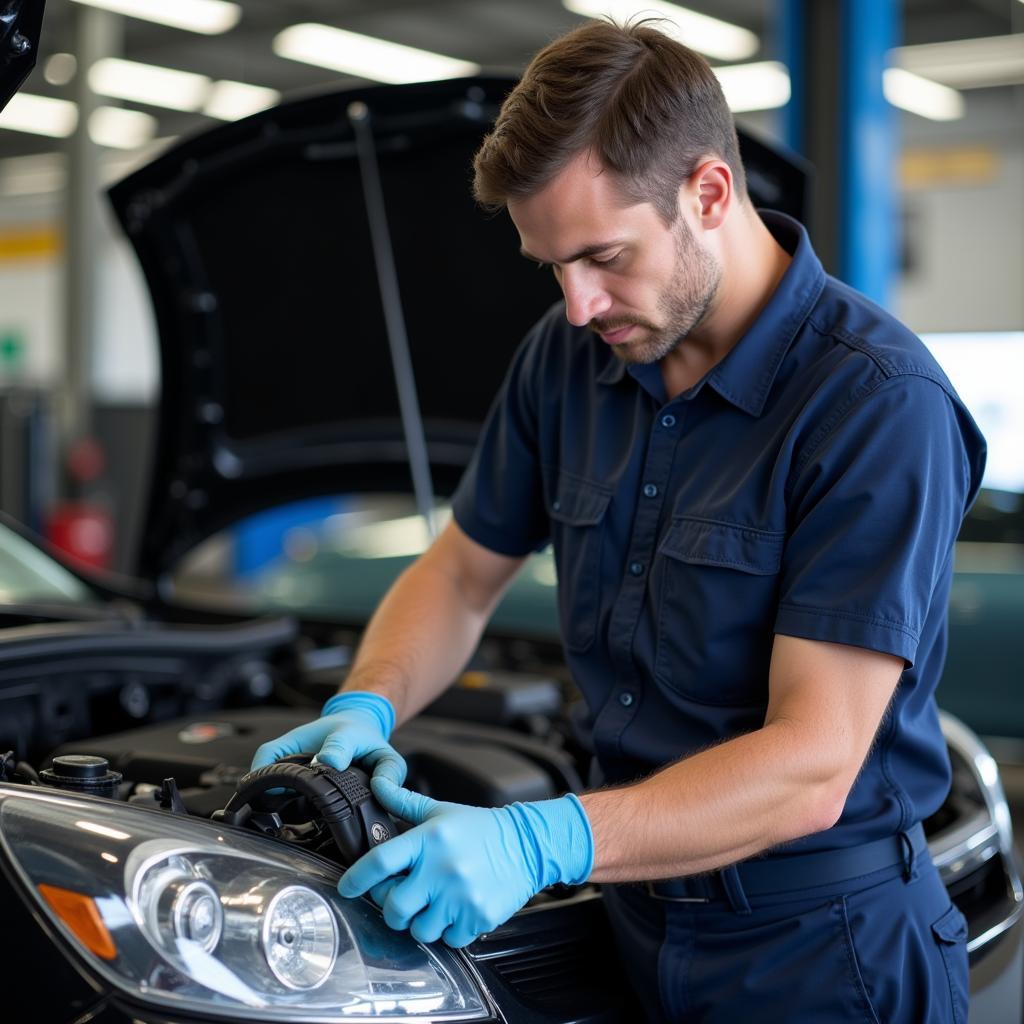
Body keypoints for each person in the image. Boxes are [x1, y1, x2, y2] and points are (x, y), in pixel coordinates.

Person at [253, 19, 985, 1023]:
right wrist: (369, 703)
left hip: (822, 955)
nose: (578, 304)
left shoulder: (873, 403)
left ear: (709, 192)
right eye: (550, 266)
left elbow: (811, 765)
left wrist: (535, 841)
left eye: (602, 256)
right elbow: (463, 570)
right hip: (633, 926)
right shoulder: (566, 360)